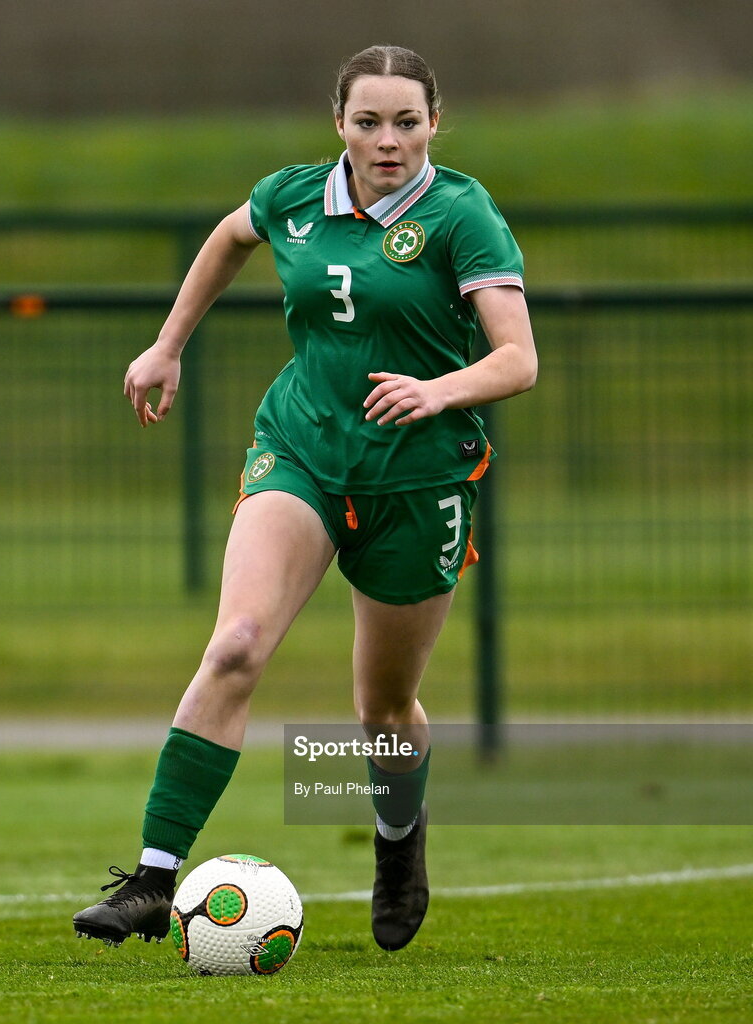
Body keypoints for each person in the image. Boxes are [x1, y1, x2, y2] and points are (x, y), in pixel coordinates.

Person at [73, 43, 537, 953]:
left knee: (382, 711)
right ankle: (153, 880)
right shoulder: (293, 195)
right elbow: (228, 238)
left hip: (419, 477)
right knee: (237, 646)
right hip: (302, 453)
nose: (388, 139)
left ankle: (399, 841)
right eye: (368, 121)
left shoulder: (460, 215)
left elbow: (518, 359)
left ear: (434, 123)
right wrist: (166, 344)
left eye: (407, 121)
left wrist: (438, 390)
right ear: (339, 124)